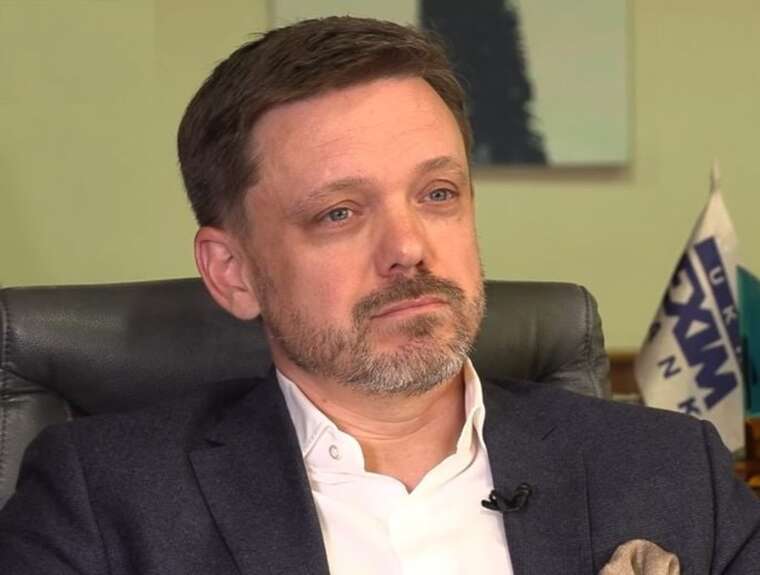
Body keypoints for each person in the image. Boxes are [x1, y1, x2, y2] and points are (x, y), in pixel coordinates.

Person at [0, 16, 758, 575]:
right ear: (232, 271)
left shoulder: (668, 470)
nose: (409, 248)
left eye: (437, 193)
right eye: (340, 212)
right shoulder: (102, 498)